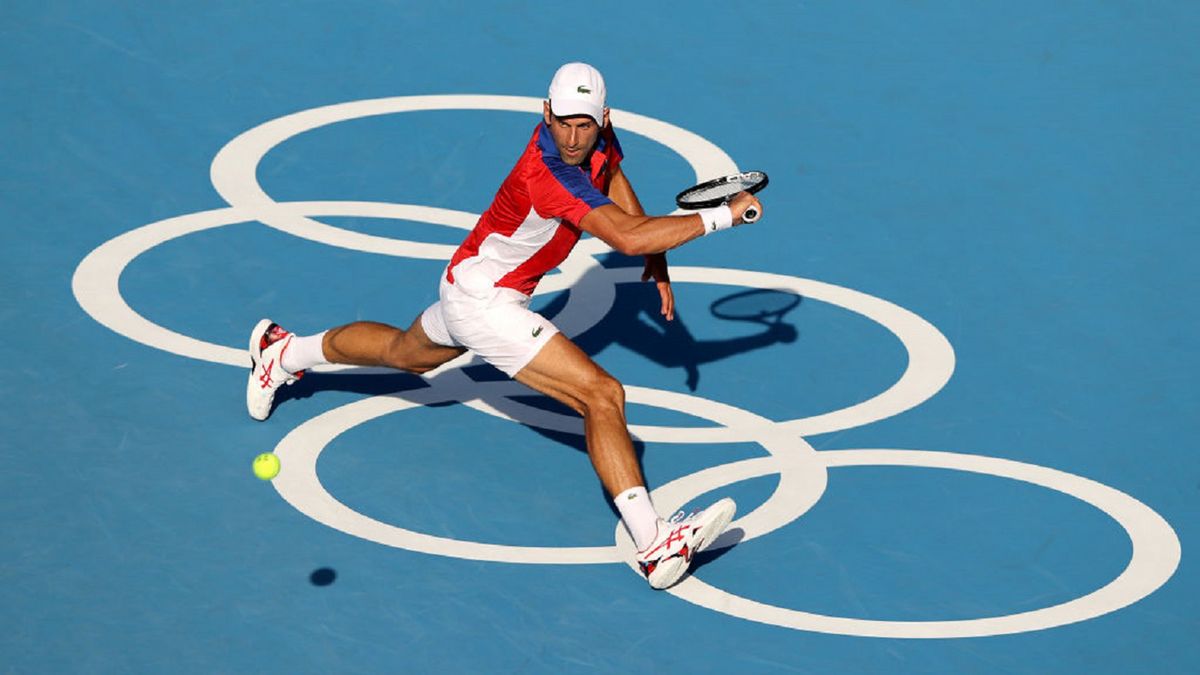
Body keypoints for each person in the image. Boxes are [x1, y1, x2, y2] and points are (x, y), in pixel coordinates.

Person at [246, 62, 763, 590]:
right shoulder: (550, 173)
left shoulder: (596, 142)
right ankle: (654, 545)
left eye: (585, 126)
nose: (573, 137)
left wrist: (659, 258)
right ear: (546, 112)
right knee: (601, 395)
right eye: (563, 123)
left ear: (603, 119)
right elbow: (627, 238)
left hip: (468, 278)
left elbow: (614, 179)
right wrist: (723, 216)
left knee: (408, 354)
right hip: (487, 302)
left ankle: (282, 352)